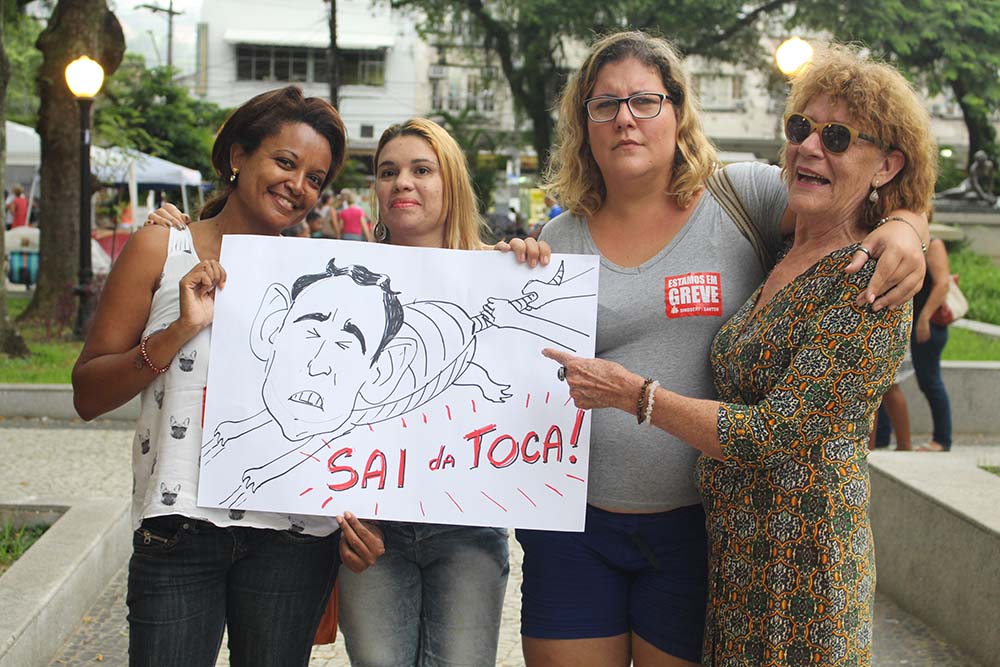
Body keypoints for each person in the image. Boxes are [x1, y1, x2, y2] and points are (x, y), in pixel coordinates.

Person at [518, 31, 931, 667]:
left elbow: (870, 198)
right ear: (583, 123)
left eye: (645, 101)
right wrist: (504, 277)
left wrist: (907, 227)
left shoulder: (745, 199)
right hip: (610, 532)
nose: (625, 118)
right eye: (605, 104)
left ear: (679, 111)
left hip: (732, 548)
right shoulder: (557, 240)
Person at [72, 86, 385, 667]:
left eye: (315, 178)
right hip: (180, 527)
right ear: (238, 155)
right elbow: (87, 394)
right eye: (285, 162)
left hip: (295, 536)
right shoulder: (163, 248)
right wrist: (177, 332)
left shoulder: (322, 277)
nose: (298, 186)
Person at [335, 117, 545, 667]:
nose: (402, 182)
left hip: (468, 525)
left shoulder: (503, 272)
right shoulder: (345, 284)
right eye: (388, 172)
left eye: (421, 170)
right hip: (371, 527)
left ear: (450, 182)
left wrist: (533, 269)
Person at [911, 237, 955, 451]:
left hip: (929, 325)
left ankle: (942, 439)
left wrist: (924, 318)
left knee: (930, 381)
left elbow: (942, 284)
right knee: (925, 381)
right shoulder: (914, 241)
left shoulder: (934, 244)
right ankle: (881, 438)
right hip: (918, 322)